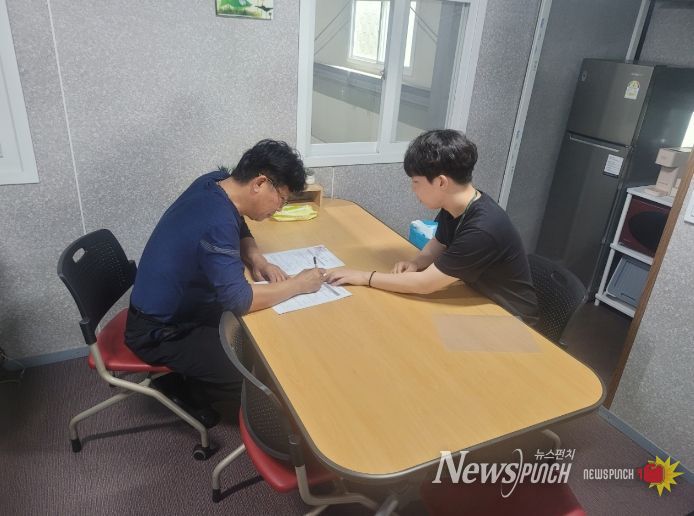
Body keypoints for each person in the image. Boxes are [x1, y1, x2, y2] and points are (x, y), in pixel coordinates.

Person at [125, 139, 324, 426]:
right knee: (263, 368)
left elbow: (238, 222)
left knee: (264, 334)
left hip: (178, 306)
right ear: (260, 183)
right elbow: (239, 300)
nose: (280, 209)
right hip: (160, 332)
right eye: (281, 199)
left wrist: (258, 260)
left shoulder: (216, 182)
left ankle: (193, 376)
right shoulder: (216, 221)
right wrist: (299, 284)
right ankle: (184, 388)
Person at [325, 129, 539, 325]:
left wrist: (364, 277)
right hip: (478, 300)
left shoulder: (483, 228)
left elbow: (424, 284)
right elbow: (439, 243)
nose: (413, 189)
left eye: (416, 182)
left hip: (512, 322)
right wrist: (416, 262)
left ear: (441, 182)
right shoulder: (457, 205)